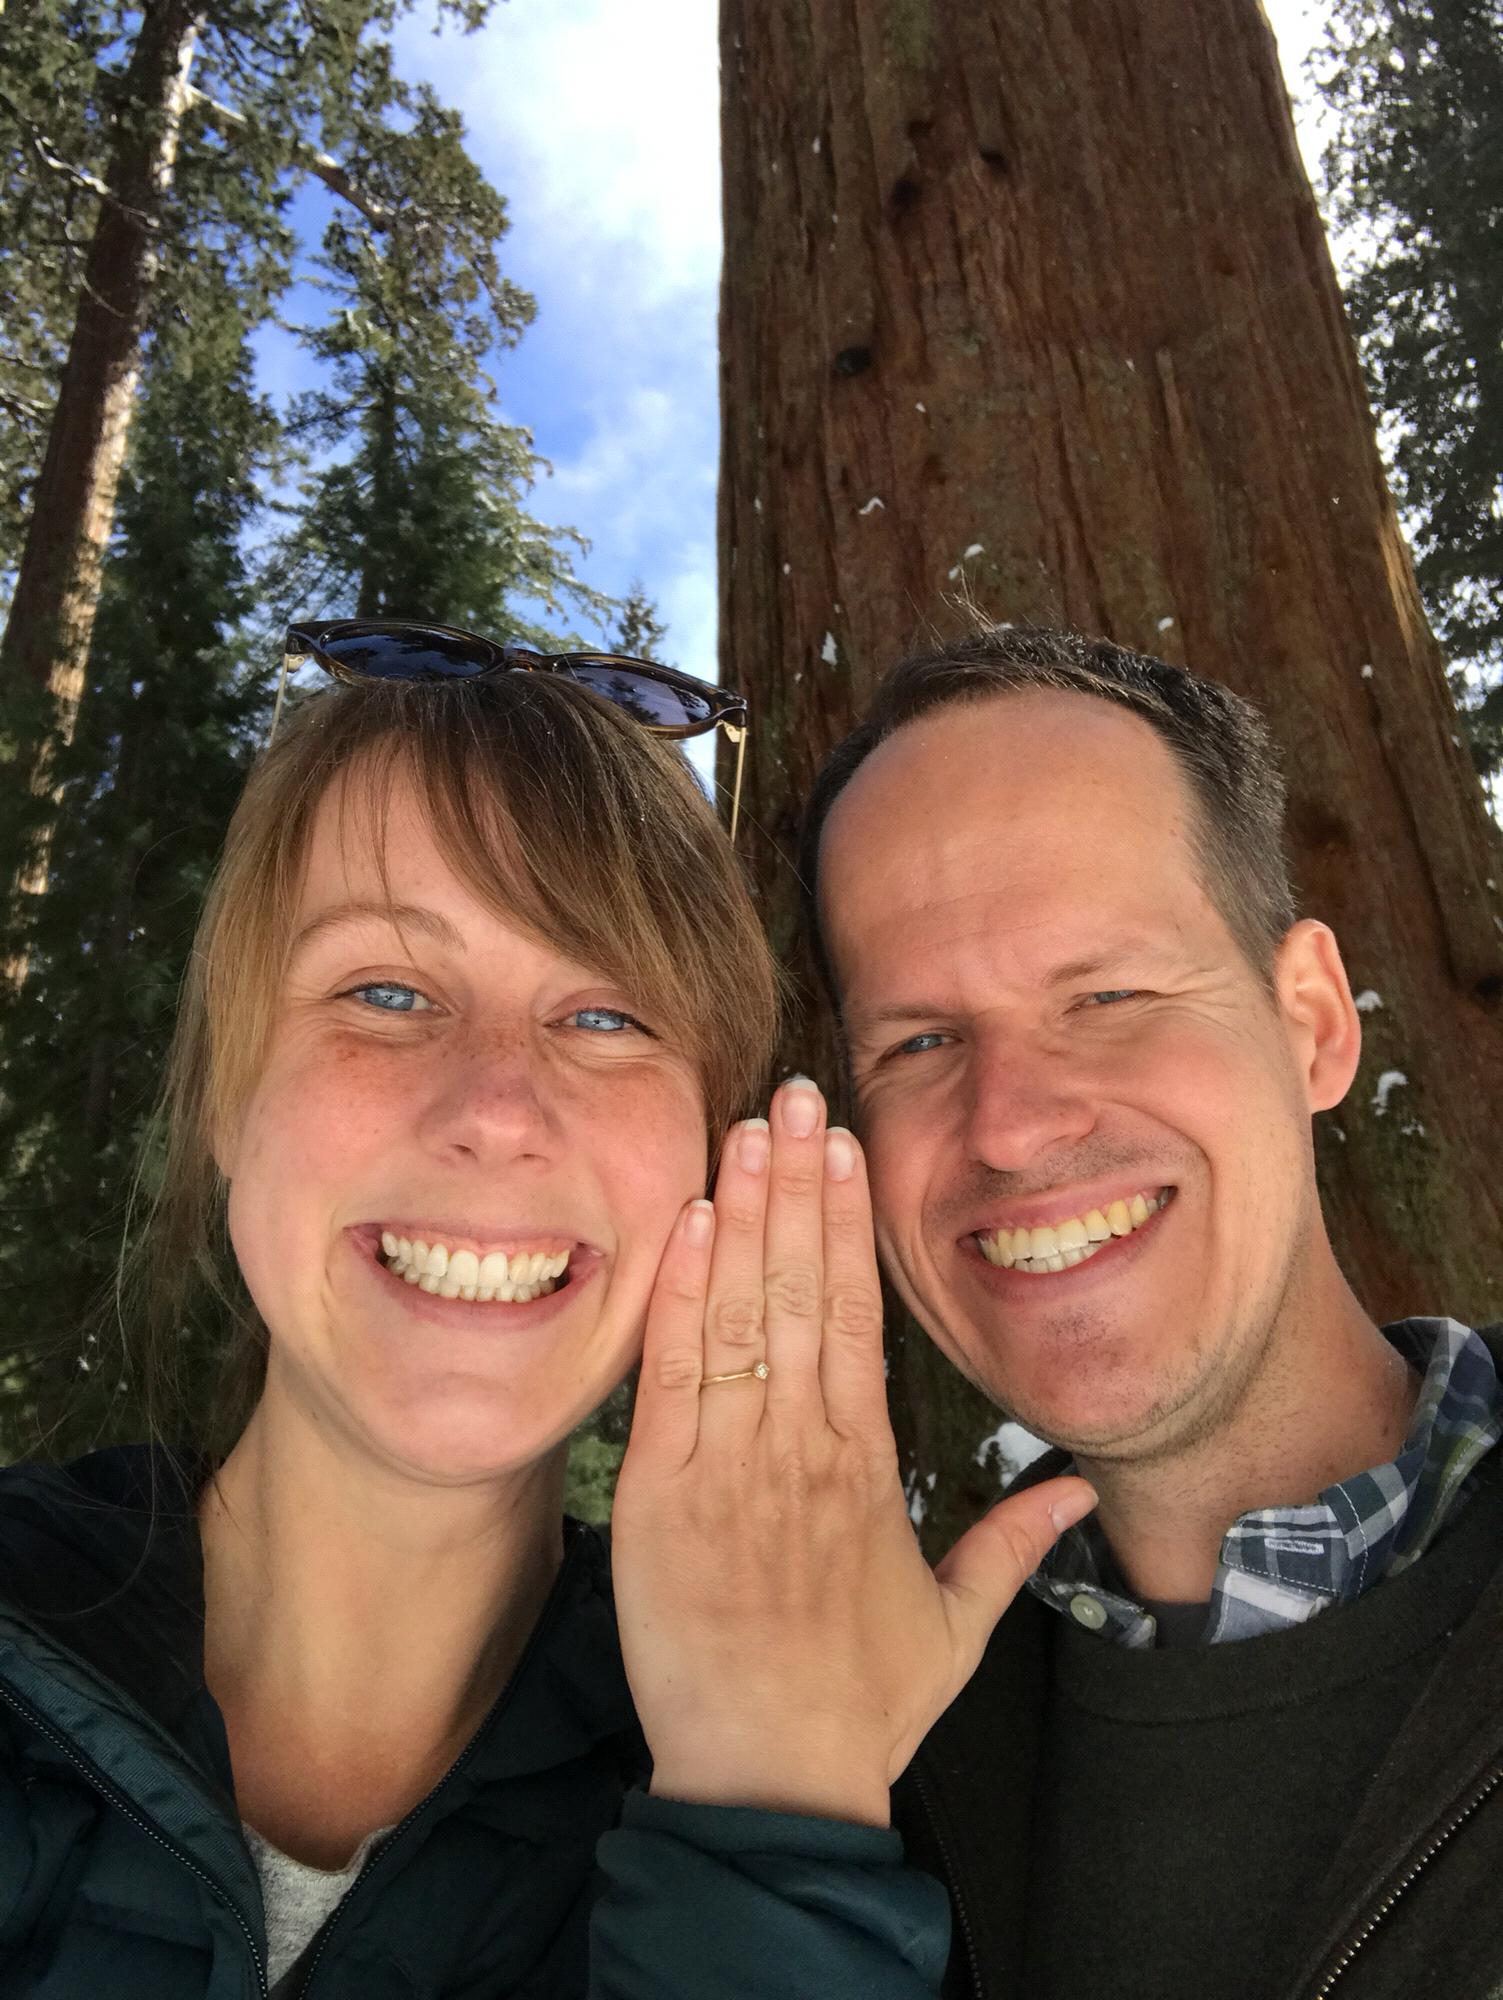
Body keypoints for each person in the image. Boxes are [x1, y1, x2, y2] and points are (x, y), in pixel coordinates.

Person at [0, 621, 1092, 1999]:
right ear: (230, 1093)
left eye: (606, 1016)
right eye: (387, 991)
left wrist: (765, 1821)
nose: (499, 1111)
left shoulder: (853, 1800)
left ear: (708, 1145)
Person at [799, 622, 1503, 2000]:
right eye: (921, 1042)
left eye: (1109, 993)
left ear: (1310, 1021)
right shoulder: (864, 1768)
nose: (1007, 1125)